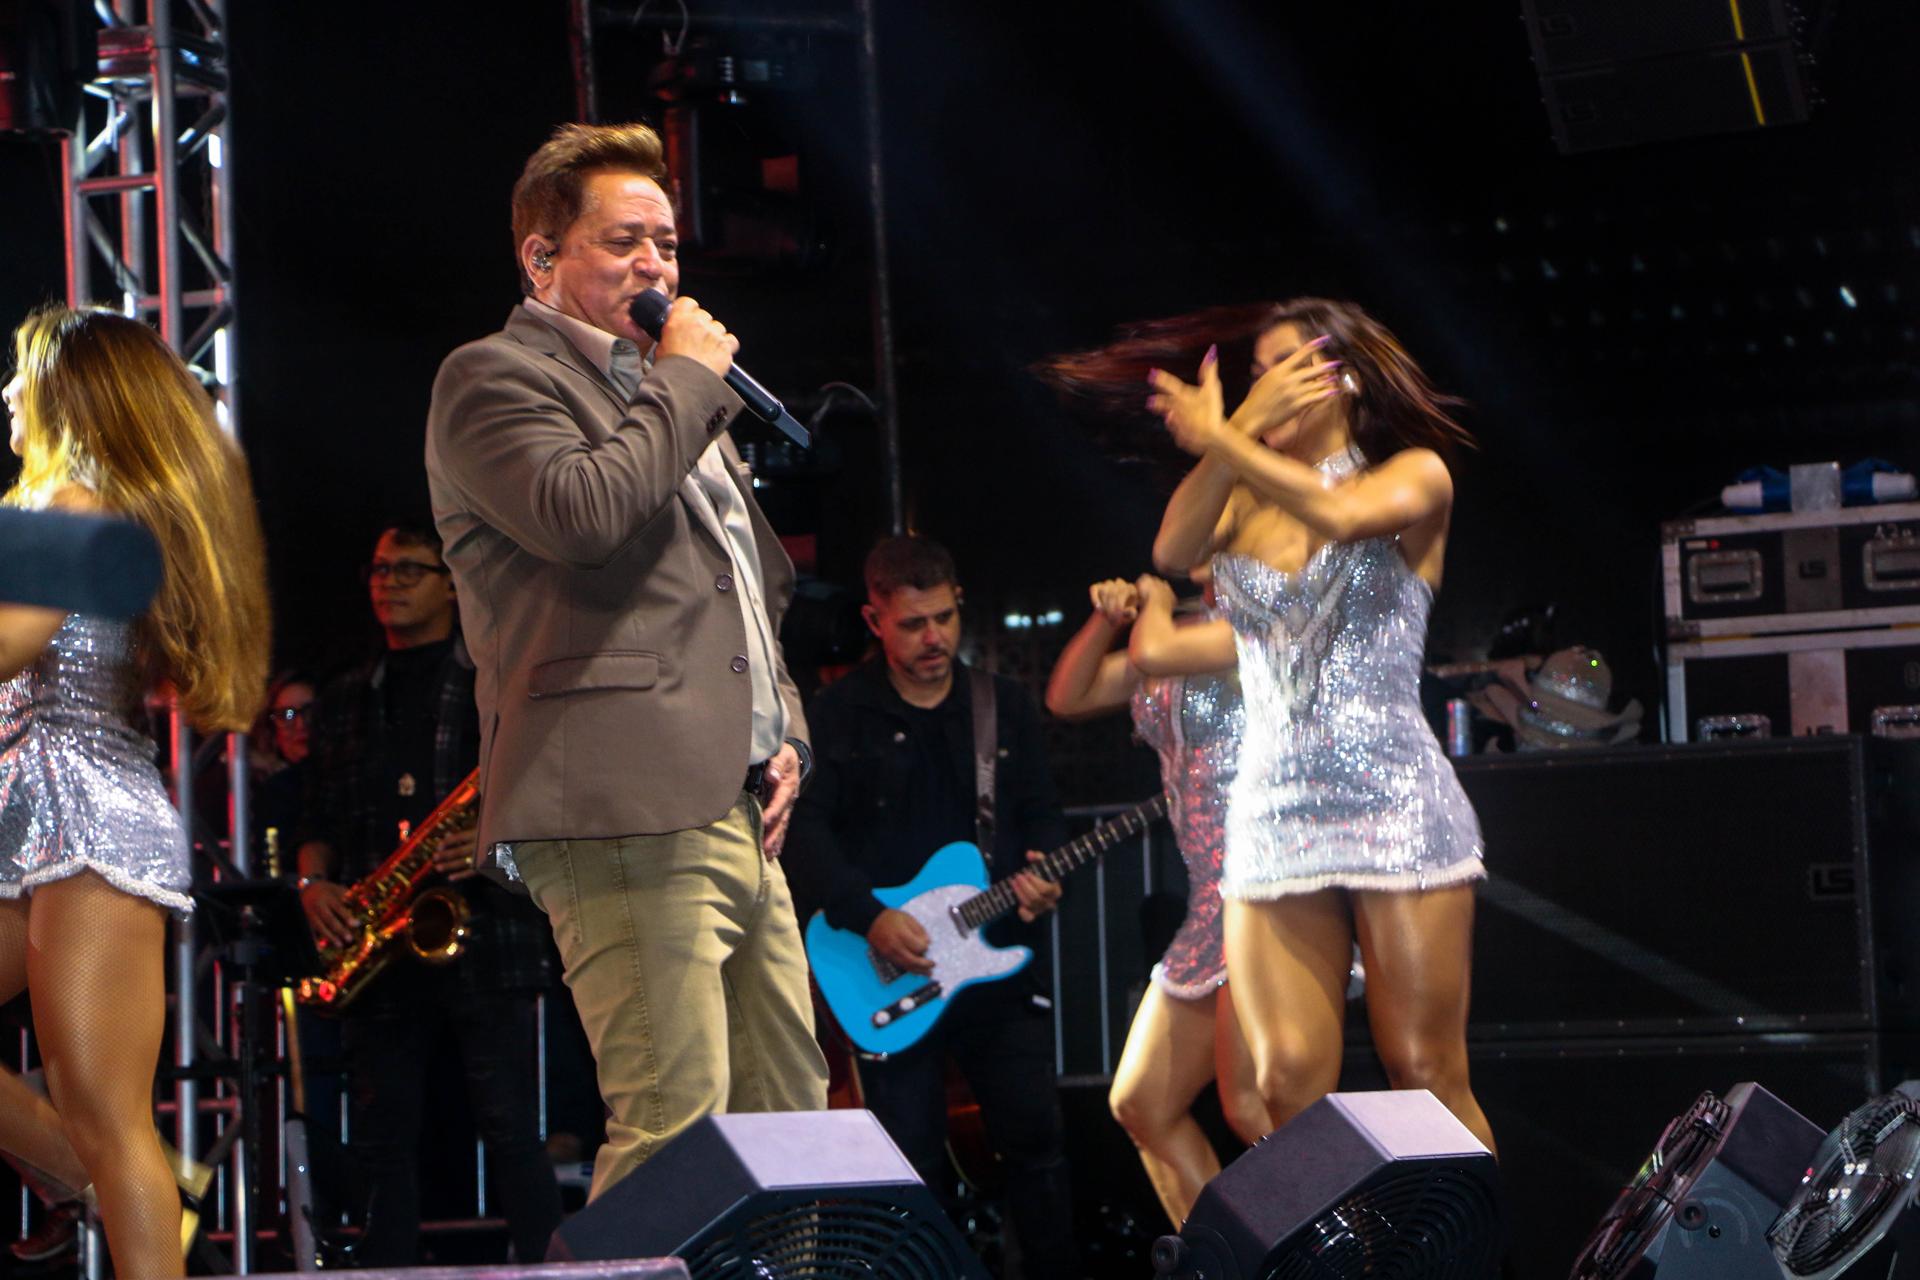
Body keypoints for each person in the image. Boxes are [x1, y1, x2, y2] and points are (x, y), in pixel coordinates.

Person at [422, 121, 827, 1200]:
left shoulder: (671, 397)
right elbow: (585, 515)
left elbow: (749, 592)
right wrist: (685, 381)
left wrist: (787, 731)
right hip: (617, 800)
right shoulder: (493, 378)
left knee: (792, 1123)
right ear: (541, 258)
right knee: (674, 1123)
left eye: (669, 244)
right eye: (623, 242)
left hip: (735, 805)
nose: (656, 266)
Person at [1129, 297, 1495, 1153]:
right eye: (1257, 375)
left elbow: (1340, 516)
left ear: (1346, 379)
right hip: (1271, 813)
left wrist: (1224, 437)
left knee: (1423, 1067)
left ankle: (1468, 1229)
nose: (1268, 388)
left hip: (1392, 800)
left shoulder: (1415, 475)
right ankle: (1348, 1233)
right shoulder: (1239, 497)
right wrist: (1232, 437)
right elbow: (1173, 552)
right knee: (1286, 1083)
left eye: (1287, 369)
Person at [0, 305, 270, 1277]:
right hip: (24, 813)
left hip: (90, 823)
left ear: (69, 393)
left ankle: (132, 1195)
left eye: (21, 373)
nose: (6, 393)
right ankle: (114, 1181)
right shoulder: (56, 509)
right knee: (104, 1129)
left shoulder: (79, 507)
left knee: (109, 1113)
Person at [783, 535, 1081, 1278]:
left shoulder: (1000, 704)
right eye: (912, 623)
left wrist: (1045, 871)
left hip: (993, 961)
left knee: (1036, 1144)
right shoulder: (836, 712)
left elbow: (1041, 814)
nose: (933, 638)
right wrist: (868, 915)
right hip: (886, 965)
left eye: (944, 618)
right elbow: (803, 835)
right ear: (874, 620)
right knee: (909, 1166)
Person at [294, 524, 562, 1265]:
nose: (389, 584)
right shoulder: (345, 697)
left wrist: (488, 846)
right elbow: (318, 817)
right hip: (380, 940)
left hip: (486, 928)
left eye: (409, 570)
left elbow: (544, 795)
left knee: (512, 1129)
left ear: (451, 584)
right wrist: (313, 886)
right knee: (381, 1142)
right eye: (380, 570)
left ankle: (549, 1268)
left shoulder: (494, 686)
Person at [1043, 570, 1270, 1226]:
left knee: (1253, 1106)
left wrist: (1156, 608)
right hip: (1210, 901)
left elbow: (1154, 652)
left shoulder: (1264, 619)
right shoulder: (1169, 632)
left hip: (1266, 886)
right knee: (1143, 1103)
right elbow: (1068, 696)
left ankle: (1356, 1259)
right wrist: (1106, 622)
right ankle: (1231, 1260)